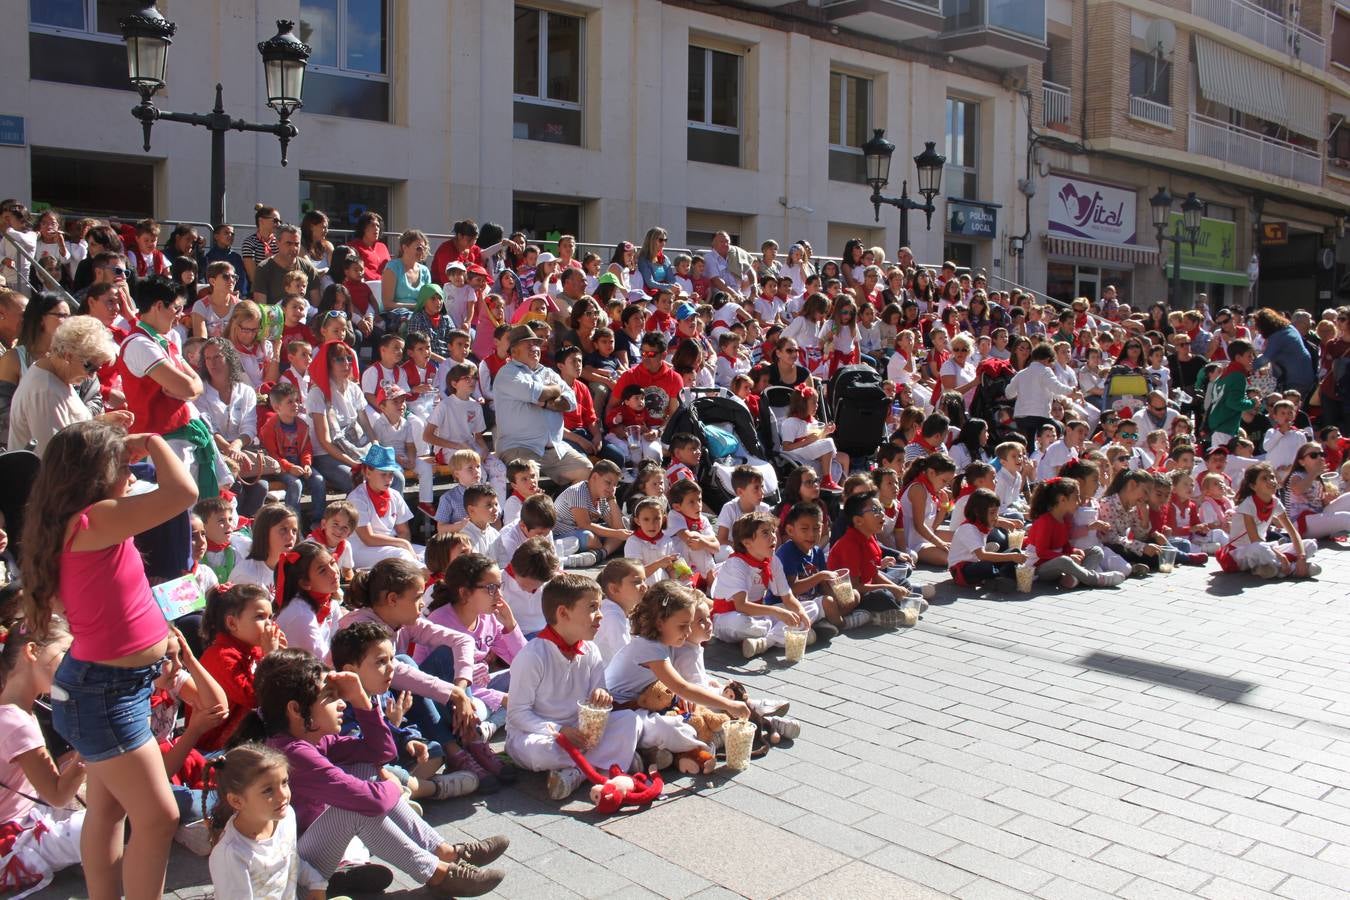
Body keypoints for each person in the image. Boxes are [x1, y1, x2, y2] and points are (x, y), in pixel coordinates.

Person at [21, 422, 198, 898]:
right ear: (94, 476)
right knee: (160, 818)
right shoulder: (93, 521)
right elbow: (183, 491)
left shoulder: (80, 524)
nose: (130, 470)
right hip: (104, 692)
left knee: (107, 811)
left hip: (109, 687)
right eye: (120, 464)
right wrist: (152, 441)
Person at [250, 650, 508, 896]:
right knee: (353, 807)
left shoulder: (312, 740)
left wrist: (362, 700)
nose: (341, 704)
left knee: (364, 771)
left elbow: (381, 753)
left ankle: (444, 852)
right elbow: (369, 799)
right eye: (330, 697)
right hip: (293, 877)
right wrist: (394, 786)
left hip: (314, 852)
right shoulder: (292, 753)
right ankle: (437, 873)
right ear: (295, 710)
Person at [0, 617, 87, 896]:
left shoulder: (15, 708)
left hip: (24, 820)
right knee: (108, 818)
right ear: (32, 651)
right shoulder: (17, 722)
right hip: (11, 846)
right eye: (65, 653)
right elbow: (58, 795)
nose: (72, 666)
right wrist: (90, 746)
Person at [206, 743, 328, 900]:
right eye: (268, 790)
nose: (283, 795)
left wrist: (316, 883)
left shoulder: (286, 817)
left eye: (284, 782)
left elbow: (290, 860)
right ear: (237, 801)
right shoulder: (231, 854)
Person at [8, 314, 125, 453]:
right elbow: (58, 456)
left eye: (97, 369)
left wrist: (101, 422)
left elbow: (71, 428)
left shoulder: (57, 377)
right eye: (90, 367)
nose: (92, 375)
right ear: (68, 355)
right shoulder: (45, 391)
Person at [493, 324, 592, 487]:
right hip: (520, 447)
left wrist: (546, 403)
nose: (535, 347)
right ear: (514, 351)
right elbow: (538, 393)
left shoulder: (547, 372)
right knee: (528, 479)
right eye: (528, 343)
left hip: (555, 448)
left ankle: (561, 509)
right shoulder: (508, 372)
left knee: (587, 471)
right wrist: (556, 389)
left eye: (536, 344)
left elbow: (571, 402)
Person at [1224, 463, 1319, 579]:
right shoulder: (1248, 504)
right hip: (1241, 552)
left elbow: (1293, 533)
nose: (1271, 481)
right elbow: (1255, 540)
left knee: (1310, 544)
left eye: (1272, 477)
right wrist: (1280, 555)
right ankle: (1291, 569)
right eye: (1264, 478)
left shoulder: (1275, 502)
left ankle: (1271, 569)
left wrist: (1302, 557)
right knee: (1259, 548)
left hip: (1265, 549)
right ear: (1253, 486)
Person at [1252, 308, 1315, 397]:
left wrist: (1246, 366)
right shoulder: (1289, 328)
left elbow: (1265, 358)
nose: (1257, 330)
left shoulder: (1278, 336)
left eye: (1258, 326)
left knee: (1287, 407)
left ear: (1265, 325)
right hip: (1305, 376)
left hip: (1296, 380)